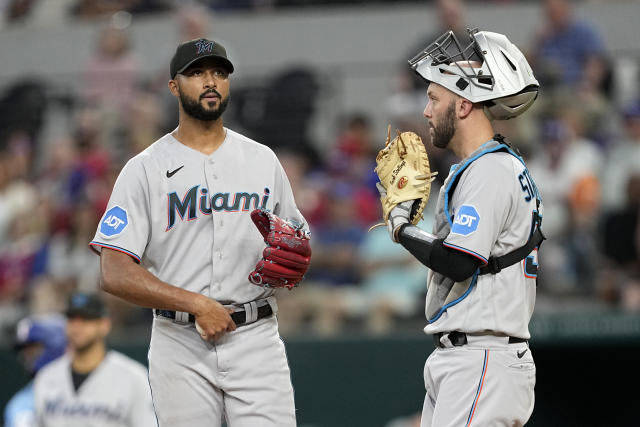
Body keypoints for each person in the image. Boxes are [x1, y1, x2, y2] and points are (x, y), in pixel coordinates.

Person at [88, 38, 308, 426]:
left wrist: (298, 257)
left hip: (255, 336)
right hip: (180, 342)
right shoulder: (145, 169)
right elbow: (114, 271)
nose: (210, 81)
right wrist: (196, 303)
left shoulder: (262, 159)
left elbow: (296, 241)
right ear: (173, 86)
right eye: (197, 73)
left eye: (219, 73)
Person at [383, 29, 544, 426]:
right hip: (471, 356)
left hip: (482, 356)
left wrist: (401, 228)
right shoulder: (483, 166)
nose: (426, 111)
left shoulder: (489, 170)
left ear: (464, 105)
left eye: (434, 98)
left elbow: (459, 261)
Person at [32, 292, 156, 427]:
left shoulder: (134, 378)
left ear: (105, 325)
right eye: (71, 318)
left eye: (86, 319)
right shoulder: (46, 377)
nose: (77, 326)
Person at [4, 314, 67, 427]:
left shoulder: (99, 380)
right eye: (25, 350)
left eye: (34, 348)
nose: (26, 356)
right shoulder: (21, 404)